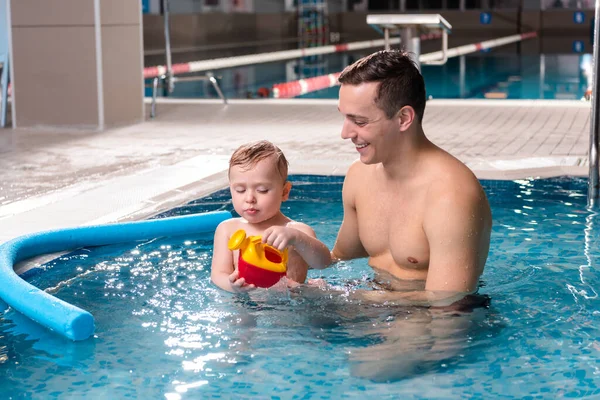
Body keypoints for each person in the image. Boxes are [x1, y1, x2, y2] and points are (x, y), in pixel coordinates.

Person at [325, 50, 493, 307]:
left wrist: (351, 298)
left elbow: (448, 302)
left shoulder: (451, 196)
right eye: (344, 117)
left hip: (434, 322)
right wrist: (292, 248)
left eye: (359, 121)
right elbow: (338, 258)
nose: (345, 133)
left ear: (403, 118)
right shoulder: (358, 176)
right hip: (375, 303)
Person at [211, 140, 331, 293]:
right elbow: (218, 274)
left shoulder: (297, 231)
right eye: (240, 190)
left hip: (292, 305)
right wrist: (233, 287)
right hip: (245, 302)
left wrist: (296, 238)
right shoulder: (227, 229)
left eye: (262, 190)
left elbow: (324, 263)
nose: (249, 198)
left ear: (284, 192)